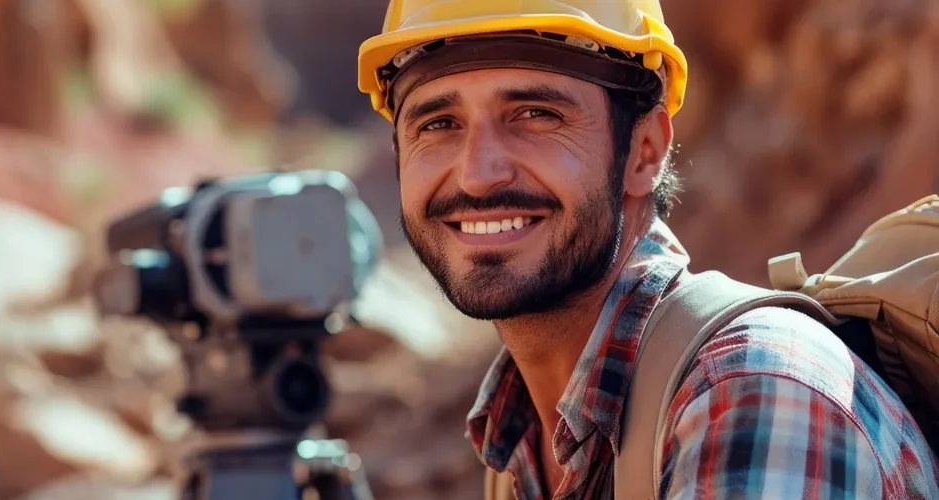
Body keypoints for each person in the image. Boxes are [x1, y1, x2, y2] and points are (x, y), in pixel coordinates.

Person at [355, 1, 939, 498]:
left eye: (536, 115)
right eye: (437, 124)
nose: (477, 174)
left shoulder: (751, 395)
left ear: (645, 152)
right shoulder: (521, 441)